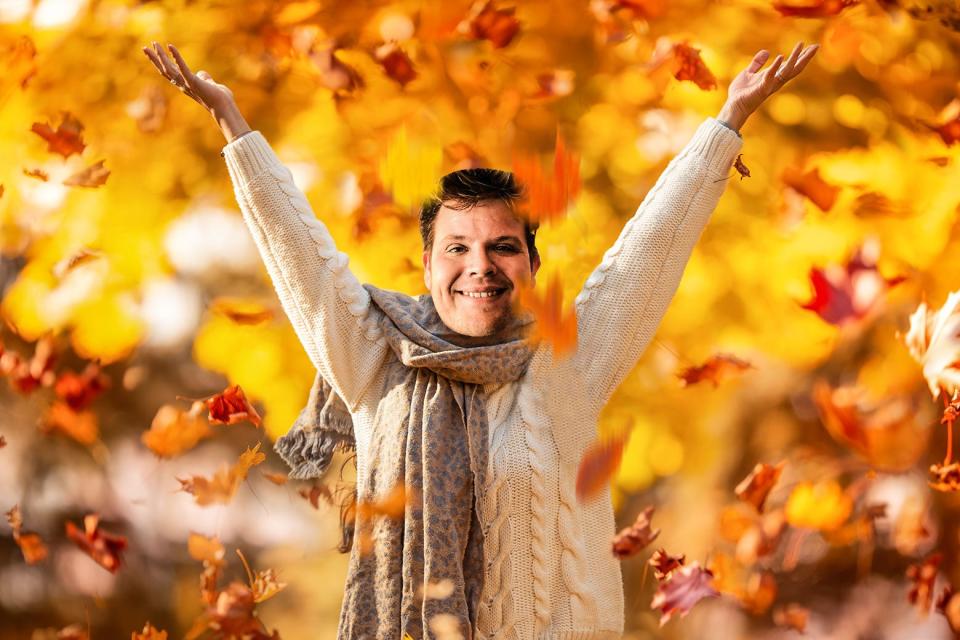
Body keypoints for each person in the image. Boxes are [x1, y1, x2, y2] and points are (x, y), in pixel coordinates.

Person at [143, 39, 819, 640]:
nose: (480, 268)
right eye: (457, 248)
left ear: (531, 265)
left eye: (503, 247)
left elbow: (646, 252)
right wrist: (235, 125)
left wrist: (726, 124)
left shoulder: (569, 361)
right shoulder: (377, 361)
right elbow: (304, 259)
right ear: (429, 265)